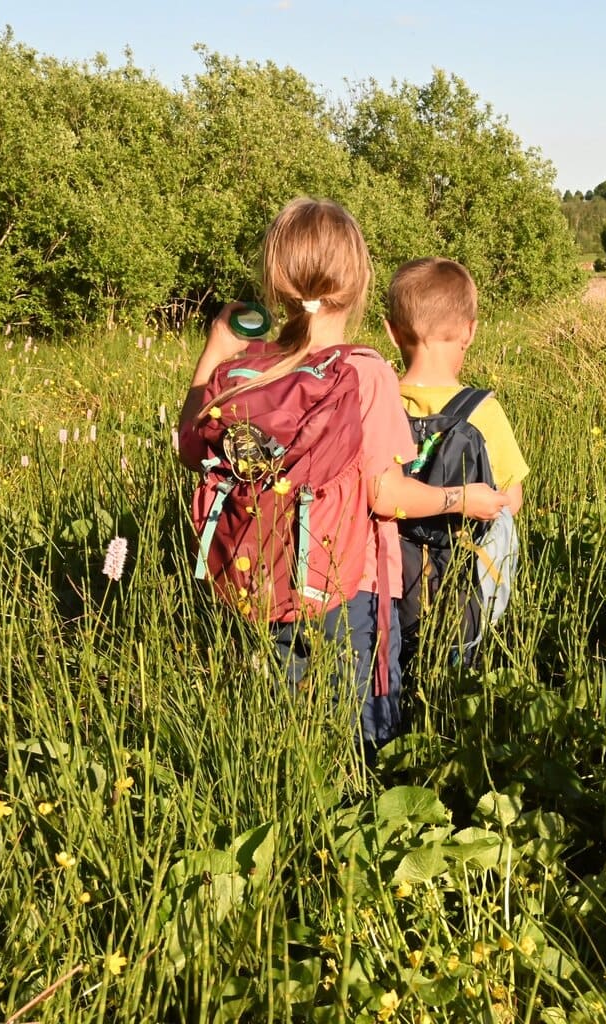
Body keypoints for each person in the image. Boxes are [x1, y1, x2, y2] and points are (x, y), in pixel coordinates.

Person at [176, 199, 509, 753]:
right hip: (350, 586)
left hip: (265, 576)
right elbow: (385, 494)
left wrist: (216, 346)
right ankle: (362, 813)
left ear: (277, 281)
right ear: (357, 282)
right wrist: (460, 498)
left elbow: (192, 447)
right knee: (363, 729)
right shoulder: (364, 371)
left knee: (283, 719)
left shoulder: (245, 368)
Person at [385, 257, 528, 681]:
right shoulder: (483, 411)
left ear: (392, 331)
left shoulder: (379, 402)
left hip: (390, 571)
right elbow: (512, 501)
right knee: (453, 664)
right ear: (470, 330)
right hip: (458, 573)